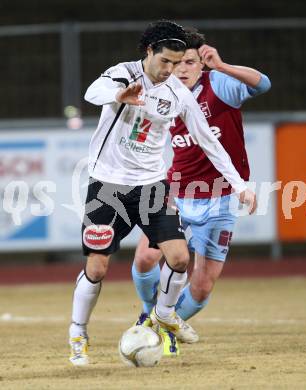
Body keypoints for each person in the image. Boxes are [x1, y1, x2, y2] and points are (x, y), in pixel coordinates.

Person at [69, 21, 256, 365]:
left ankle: (165, 313)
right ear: (149, 52)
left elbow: (209, 141)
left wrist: (239, 184)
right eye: (165, 62)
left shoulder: (177, 92)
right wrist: (118, 95)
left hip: (152, 186)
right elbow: (92, 91)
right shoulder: (123, 73)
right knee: (96, 267)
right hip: (107, 186)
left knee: (180, 257)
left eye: (176, 63)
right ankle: (78, 332)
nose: (170, 70)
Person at [132, 30, 271, 342]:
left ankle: (160, 329)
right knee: (145, 258)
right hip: (177, 191)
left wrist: (223, 67)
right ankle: (149, 313)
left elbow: (263, 84)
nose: (182, 69)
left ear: (201, 65)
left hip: (220, 197)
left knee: (203, 284)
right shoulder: (162, 93)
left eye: (190, 62)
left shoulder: (218, 85)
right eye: (177, 62)